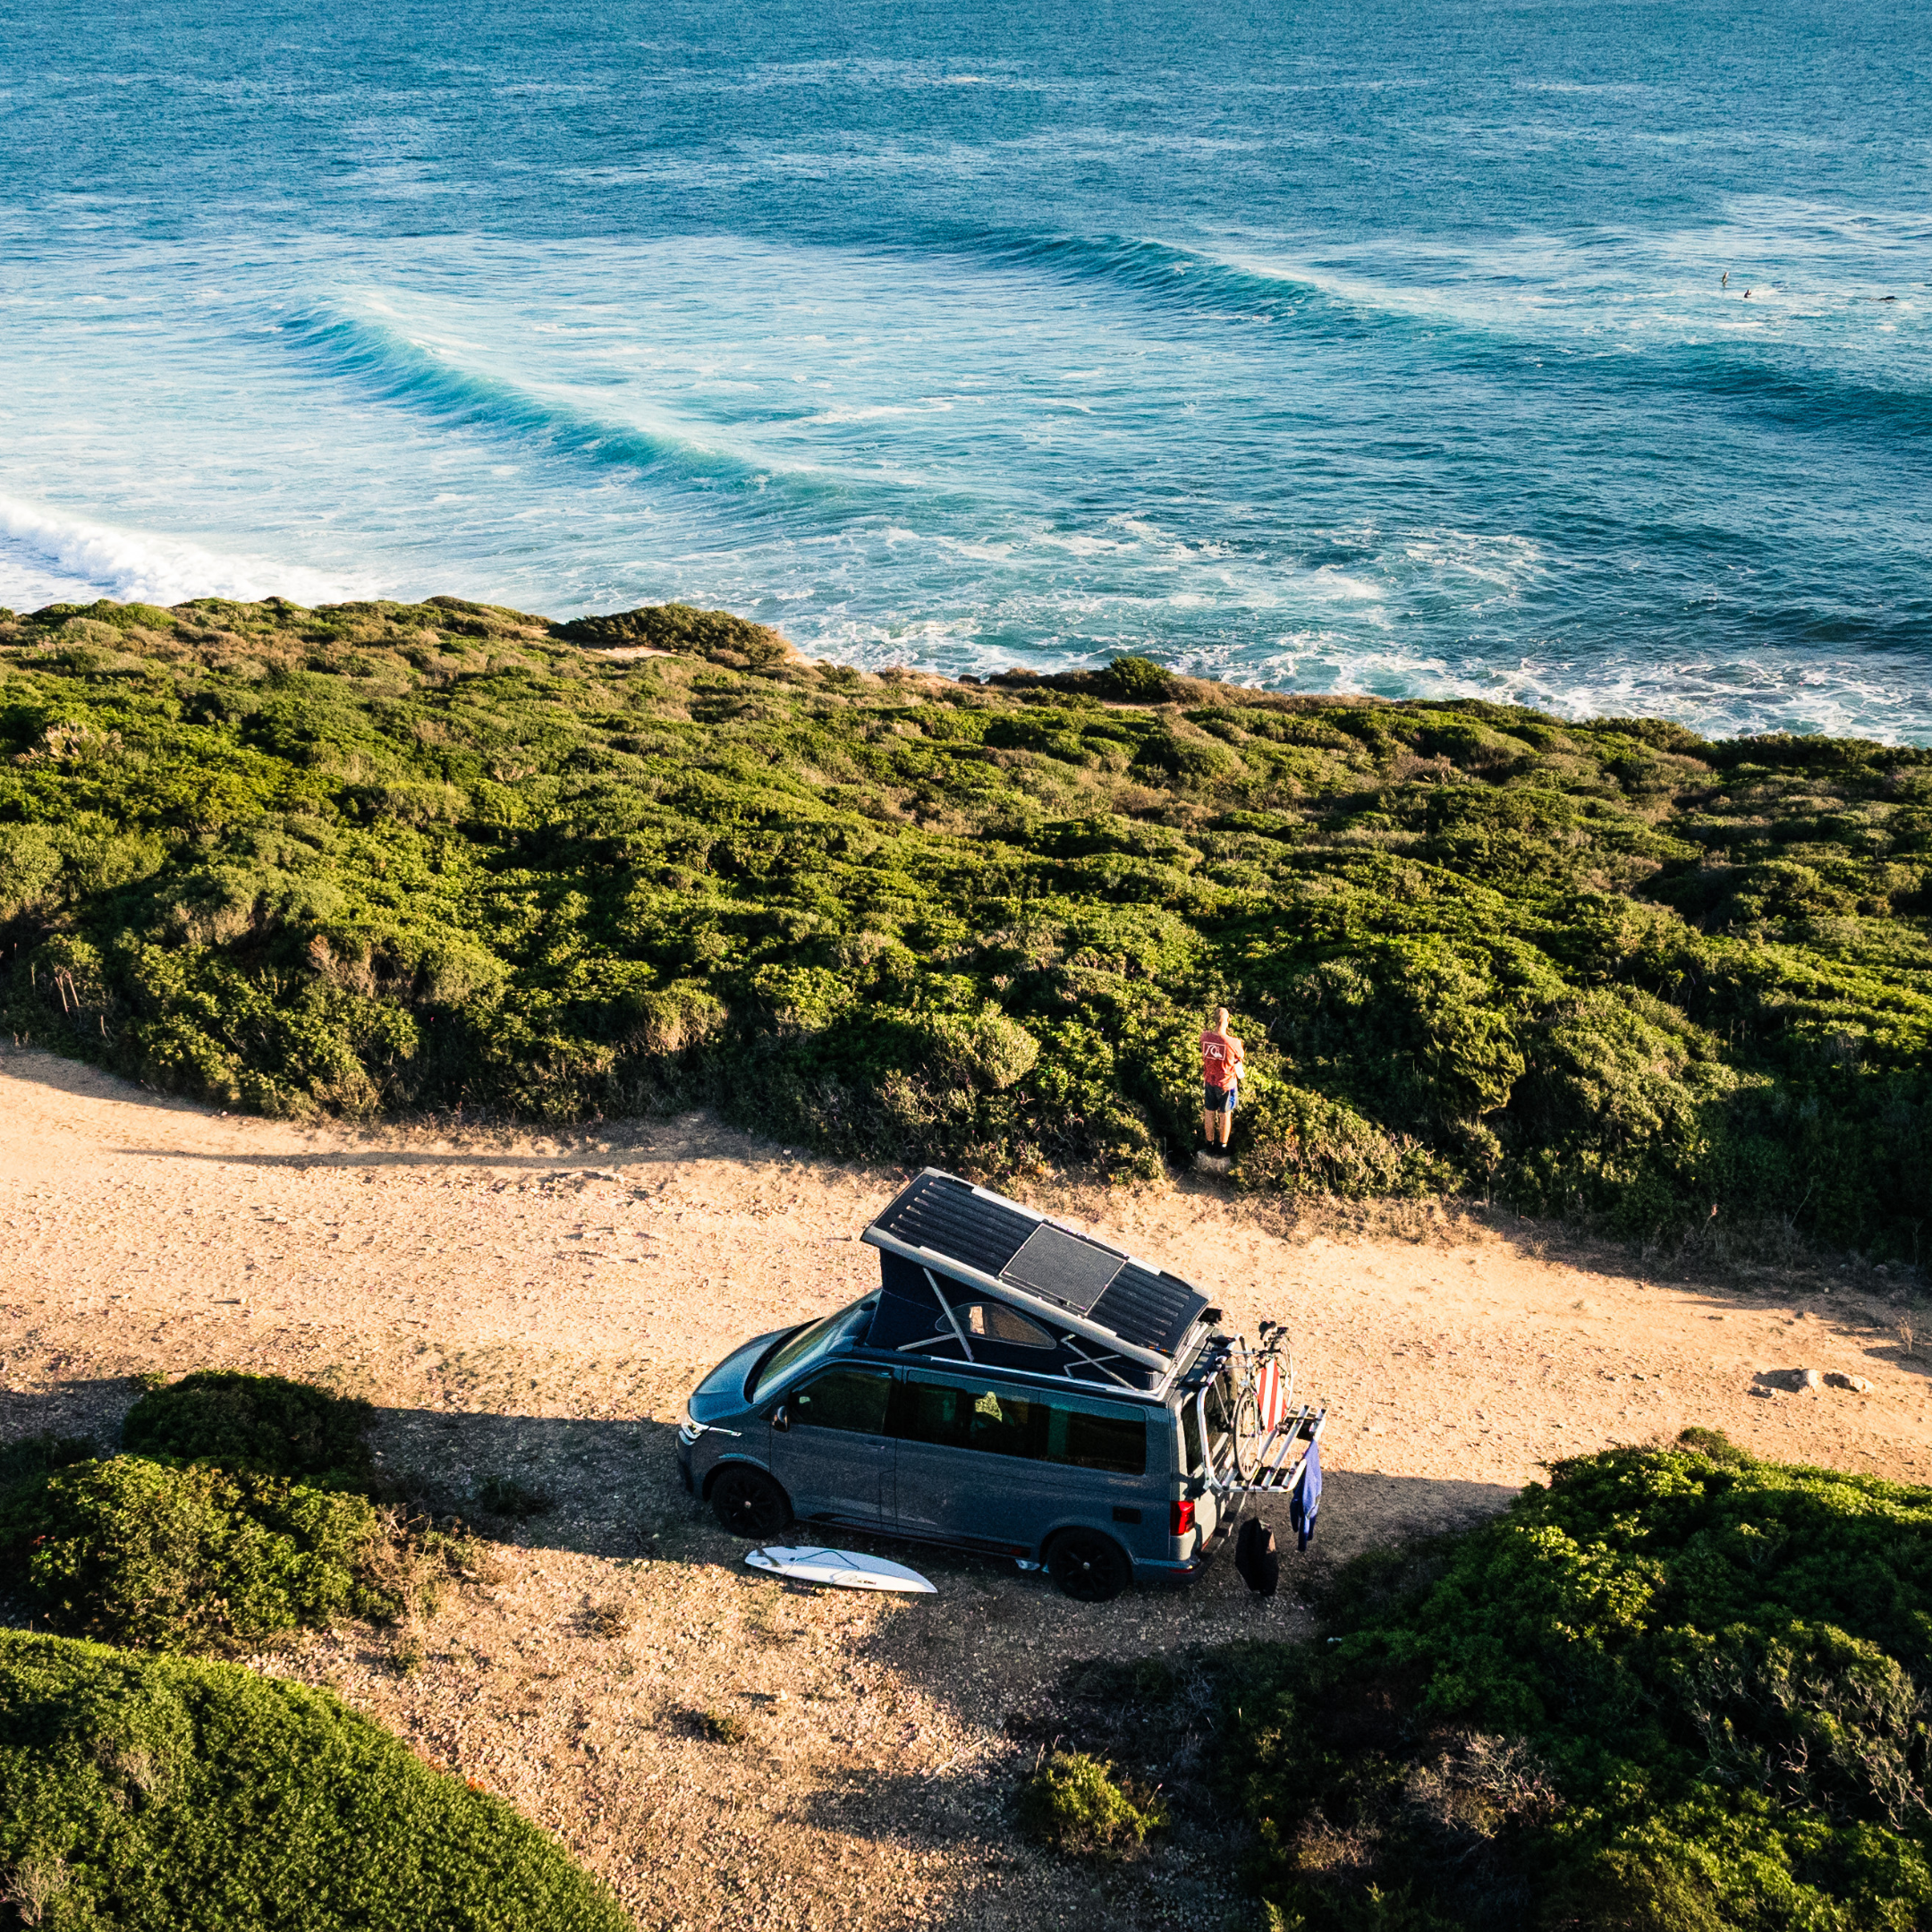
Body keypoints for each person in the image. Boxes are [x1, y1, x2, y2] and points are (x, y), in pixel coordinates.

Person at [1199, 1007, 1244, 1150]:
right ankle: (1222, 1146)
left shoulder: (1204, 1037)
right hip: (1226, 1084)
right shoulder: (1233, 1042)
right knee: (1225, 1115)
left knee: (1209, 1112)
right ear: (1228, 1021)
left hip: (1209, 1081)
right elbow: (1241, 1056)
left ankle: (1209, 1144)